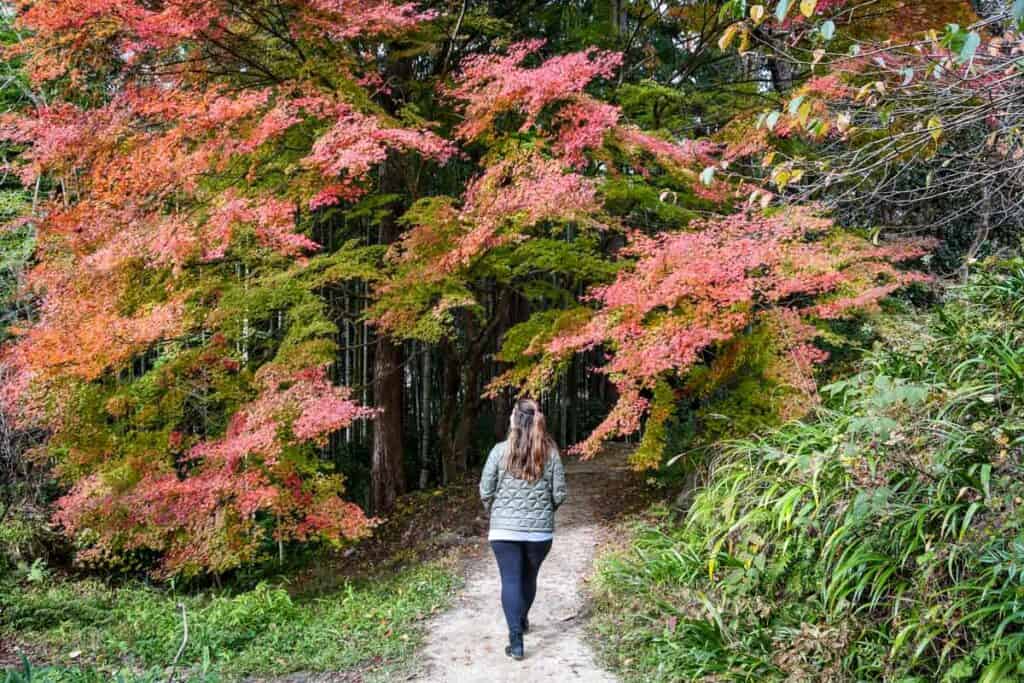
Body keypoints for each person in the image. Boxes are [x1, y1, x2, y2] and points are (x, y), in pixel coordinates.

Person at [479, 398, 568, 660]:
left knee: (510, 580)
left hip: (503, 531)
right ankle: (521, 619)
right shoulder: (550, 453)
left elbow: (486, 490)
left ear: (515, 420)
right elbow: (559, 493)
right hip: (540, 533)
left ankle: (516, 641)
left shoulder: (499, 451)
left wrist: (496, 512)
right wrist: (546, 512)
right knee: (528, 579)